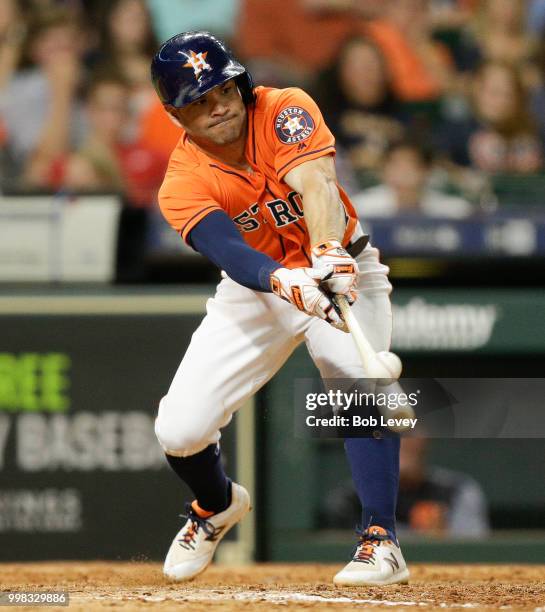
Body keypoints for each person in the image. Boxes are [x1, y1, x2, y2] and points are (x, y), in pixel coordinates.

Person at [151, 31, 409, 586]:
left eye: (221, 89)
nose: (215, 106)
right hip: (258, 291)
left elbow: (315, 183)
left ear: (239, 83)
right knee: (179, 429)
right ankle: (216, 505)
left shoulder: (283, 108)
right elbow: (230, 251)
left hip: (342, 268)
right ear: (175, 115)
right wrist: (283, 281)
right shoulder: (181, 182)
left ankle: (381, 541)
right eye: (196, 100)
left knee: (358, 382)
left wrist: (326, 251)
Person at [321, 438, 490, 538]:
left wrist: (442, 534)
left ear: (423, 440)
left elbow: (476, 545)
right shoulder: (350, 498)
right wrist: (421, 537)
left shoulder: (457, 489)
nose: (400, 441)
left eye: (407, 432)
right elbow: (350, 552)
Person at [354, 141, 472, 218]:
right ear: (383, 171)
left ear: (426, 171)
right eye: (395, 166)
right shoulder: (359, 209)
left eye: (410, 166)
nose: (402, 174)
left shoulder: (453, 210)